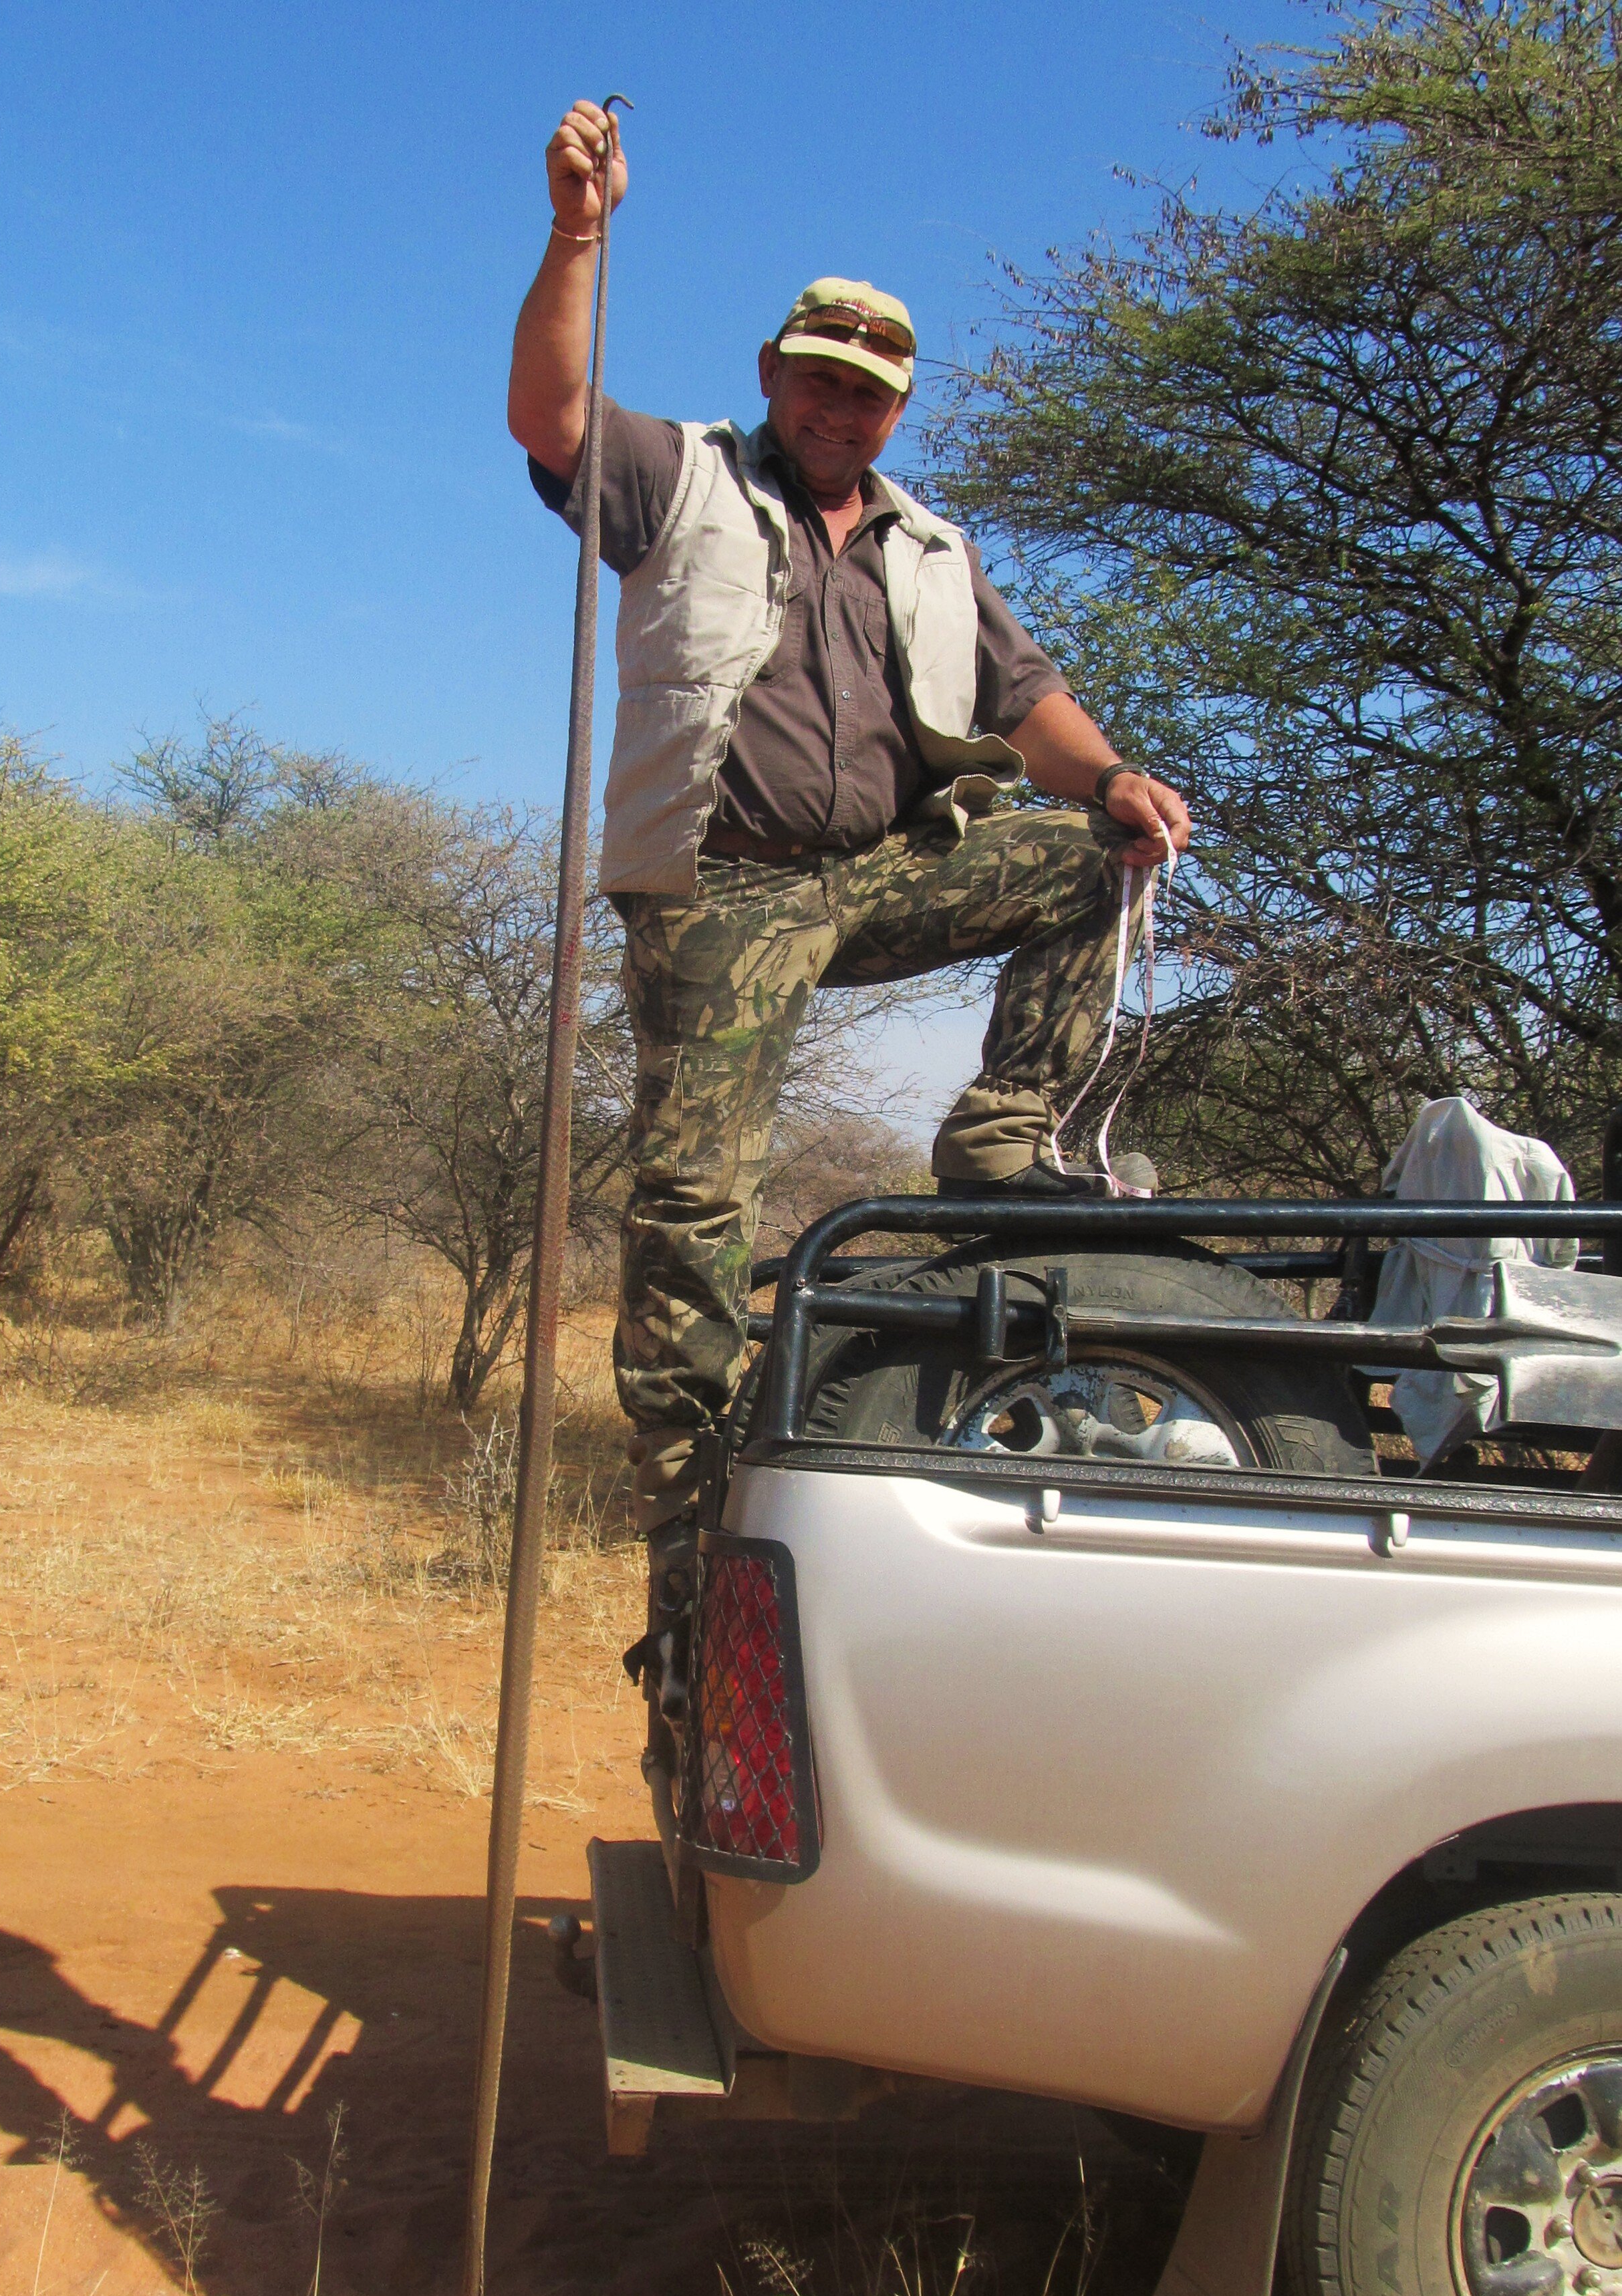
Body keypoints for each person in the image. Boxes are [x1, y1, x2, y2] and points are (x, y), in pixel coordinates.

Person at [508, 100, 1192, 1646]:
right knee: (690, 1204)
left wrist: (1115, 780)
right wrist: (578, 232)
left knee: (1091, 855)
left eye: (867, 393)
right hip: (723, 889)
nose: (839, 408)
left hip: (877, 875)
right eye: (817, 379)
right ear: (773, 376)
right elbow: (548, 419)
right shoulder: (675, 477)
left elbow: (1027, 708)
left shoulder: (930, 547)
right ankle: (685, 1526)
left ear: (894, 408)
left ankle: (1002, 1135)